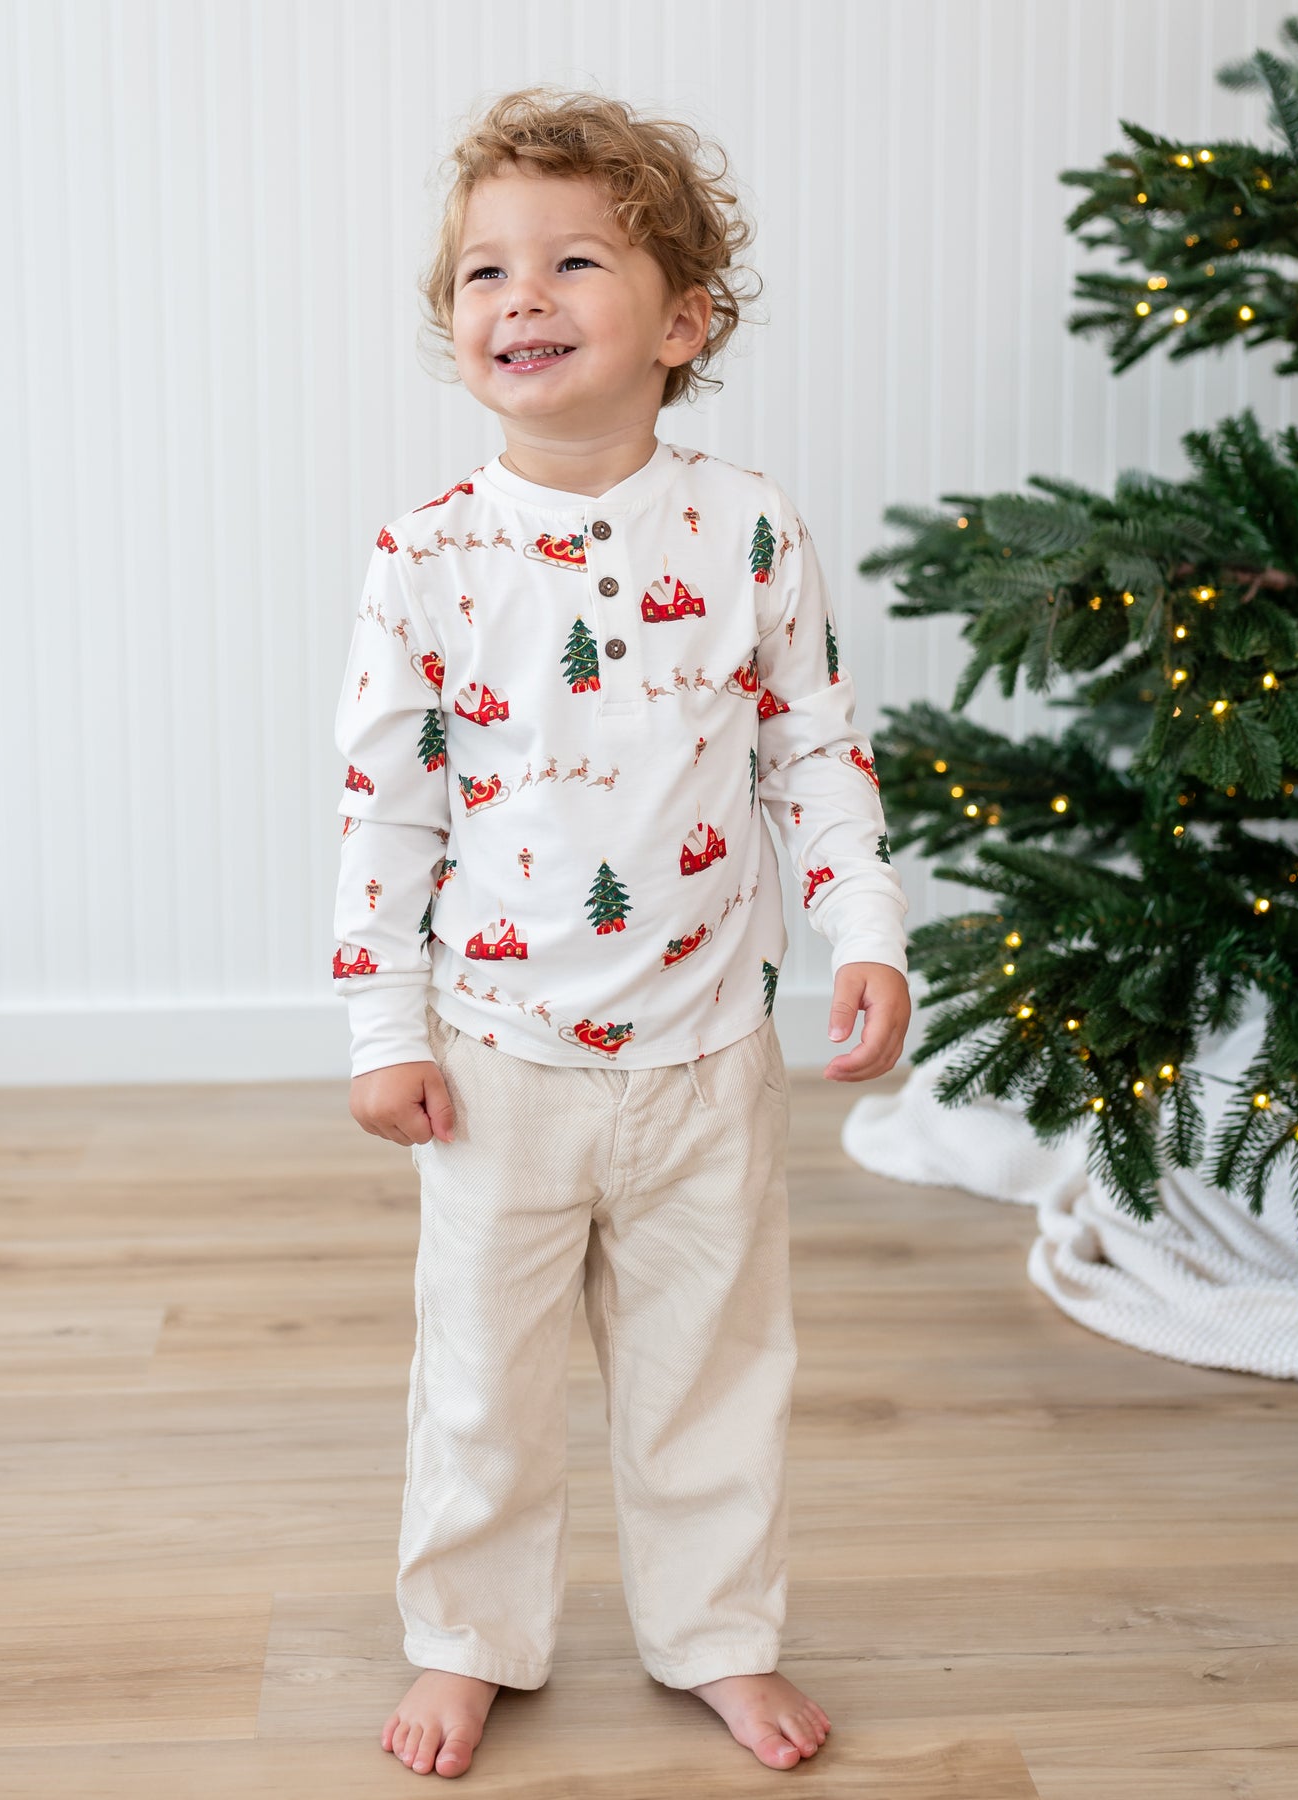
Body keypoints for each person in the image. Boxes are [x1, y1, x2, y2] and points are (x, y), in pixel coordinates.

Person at [332, 84, 912, 1779]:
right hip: (494, 1062)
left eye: (574, 261)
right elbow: (385, 810)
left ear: (683, 322)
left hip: (707, 1056)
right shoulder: (426, 558)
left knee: (711, 1373)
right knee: (482, 1378)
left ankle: (718, 1631)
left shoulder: (746, 531)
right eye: (482, 274)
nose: (520, 297)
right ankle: (467, 1635)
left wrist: (862, 925)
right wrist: (384, 1032)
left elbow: (816, 749)